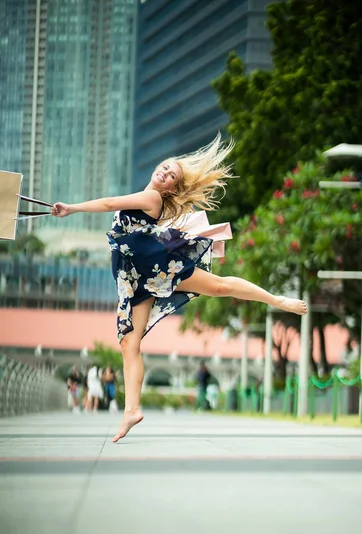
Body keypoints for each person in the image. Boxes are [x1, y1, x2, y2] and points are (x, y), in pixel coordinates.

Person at [51, 134, 307, 442]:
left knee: (220, 286)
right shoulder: (153, 198)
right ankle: (131, 410)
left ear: (171, 187)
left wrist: (72, 208)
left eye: (171, 175)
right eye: (165, 168)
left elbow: (109, 203)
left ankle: (276, 300)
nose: (164, 173)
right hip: (135, 279)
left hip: (153, 265)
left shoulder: (151, 198)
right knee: (128, 345)